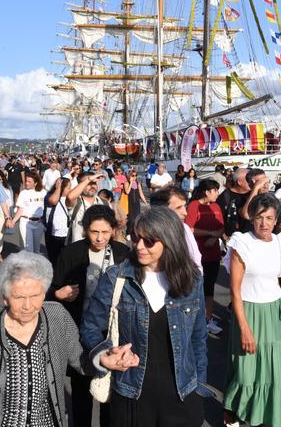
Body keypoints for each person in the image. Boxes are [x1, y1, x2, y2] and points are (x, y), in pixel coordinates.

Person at [80, 207, 209, 426]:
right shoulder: (117, 278)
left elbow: (198, 338)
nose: (139, 246)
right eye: (136, 237)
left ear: (170, 241)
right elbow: (90, 328)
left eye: (149, 241)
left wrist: (199, 389)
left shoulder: (192, 280)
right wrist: (105, 355)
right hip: (131, 394)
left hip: (183, 393)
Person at [0, 252, 91, 427]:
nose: (28, 306)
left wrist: (103, 359)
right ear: (5, 298)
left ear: (44, 293)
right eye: (19, 297)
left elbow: (80, 360)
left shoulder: (57, 315)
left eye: (35, 296)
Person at [49, 205, 130, 426]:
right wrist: (59, 293)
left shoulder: (123, 254)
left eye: (105, 232)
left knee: (110, 394)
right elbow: (51, 289)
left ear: (113, 230)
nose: (100, 237)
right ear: (85, 230)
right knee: (81, 391)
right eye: (94, 231)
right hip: (80, 333)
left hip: (114, 334)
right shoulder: (71, 253)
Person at [223, 193, 281, 427]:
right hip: (249, 312)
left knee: (274, 372)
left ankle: (269, 418)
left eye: (270, 218)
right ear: (252, 218)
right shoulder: (242, 243)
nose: (264, 223)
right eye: (260, 217)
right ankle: (232, 413)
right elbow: (235, 290)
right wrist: (244, 328)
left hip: (275, 311)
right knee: (246, 372)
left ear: (276, 220)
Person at [185, 179, 225, 334]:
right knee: (195, 288)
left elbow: (221, 227)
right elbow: (188, 228)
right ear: (207, 192)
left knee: (209, 288)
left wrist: (215, 237)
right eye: (215, 190)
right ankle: (194, 320)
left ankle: (208, 319)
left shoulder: (216, 206)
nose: (217, 193)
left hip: (214, 254)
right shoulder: (194, 205)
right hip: (197, 255)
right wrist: (209, 234)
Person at [149, 186, 203, 272]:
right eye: (178, 208)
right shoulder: (145, 231)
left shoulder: (184, 229)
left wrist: (196, 282)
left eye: (185, 206)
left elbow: (195, 259)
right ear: (161, 210)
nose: (185, 213)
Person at [12, 170, 47, 254]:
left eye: (29, 182)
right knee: (28, 249)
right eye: (26, 181)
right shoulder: (23, 193)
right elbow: (20, 209)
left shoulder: (43, 192)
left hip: (39, 223)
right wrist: (13, 221)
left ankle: (35, 266)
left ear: (36, 183)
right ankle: (26, 266)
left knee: (36, 249)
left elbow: (47, 208)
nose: (26, 183)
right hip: (26, 222)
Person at [66, 171, 105, 243]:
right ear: (80, 185)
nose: (92, 186)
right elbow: (70, 197)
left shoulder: (104, 202)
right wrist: (89, 179)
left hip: (99, 247)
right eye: (88, 184)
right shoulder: (76, 201)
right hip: (79, 248)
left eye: (94, 183)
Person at [217, 167, 252, 237]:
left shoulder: (254, 195)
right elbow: (218, 221)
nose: (252, 181)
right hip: (232, 240)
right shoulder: (225, 196)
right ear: (239, 182)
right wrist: (224, 237)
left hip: (252, 240)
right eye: (248, 179)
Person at [45, 177, 71, 262]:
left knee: (66, 258)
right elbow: (53, 201)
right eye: (68, 187)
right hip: (53, 233)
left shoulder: (70, 199)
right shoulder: (50, 196)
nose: (70, 190)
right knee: (54, 258)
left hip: (67, 233)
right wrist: (58, 187)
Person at [0, 170, 15, 263]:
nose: (0, 181)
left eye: (1, 179)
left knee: (1, 234)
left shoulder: (7, 189)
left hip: (3, 214)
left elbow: (10, 203)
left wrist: (9, 217)